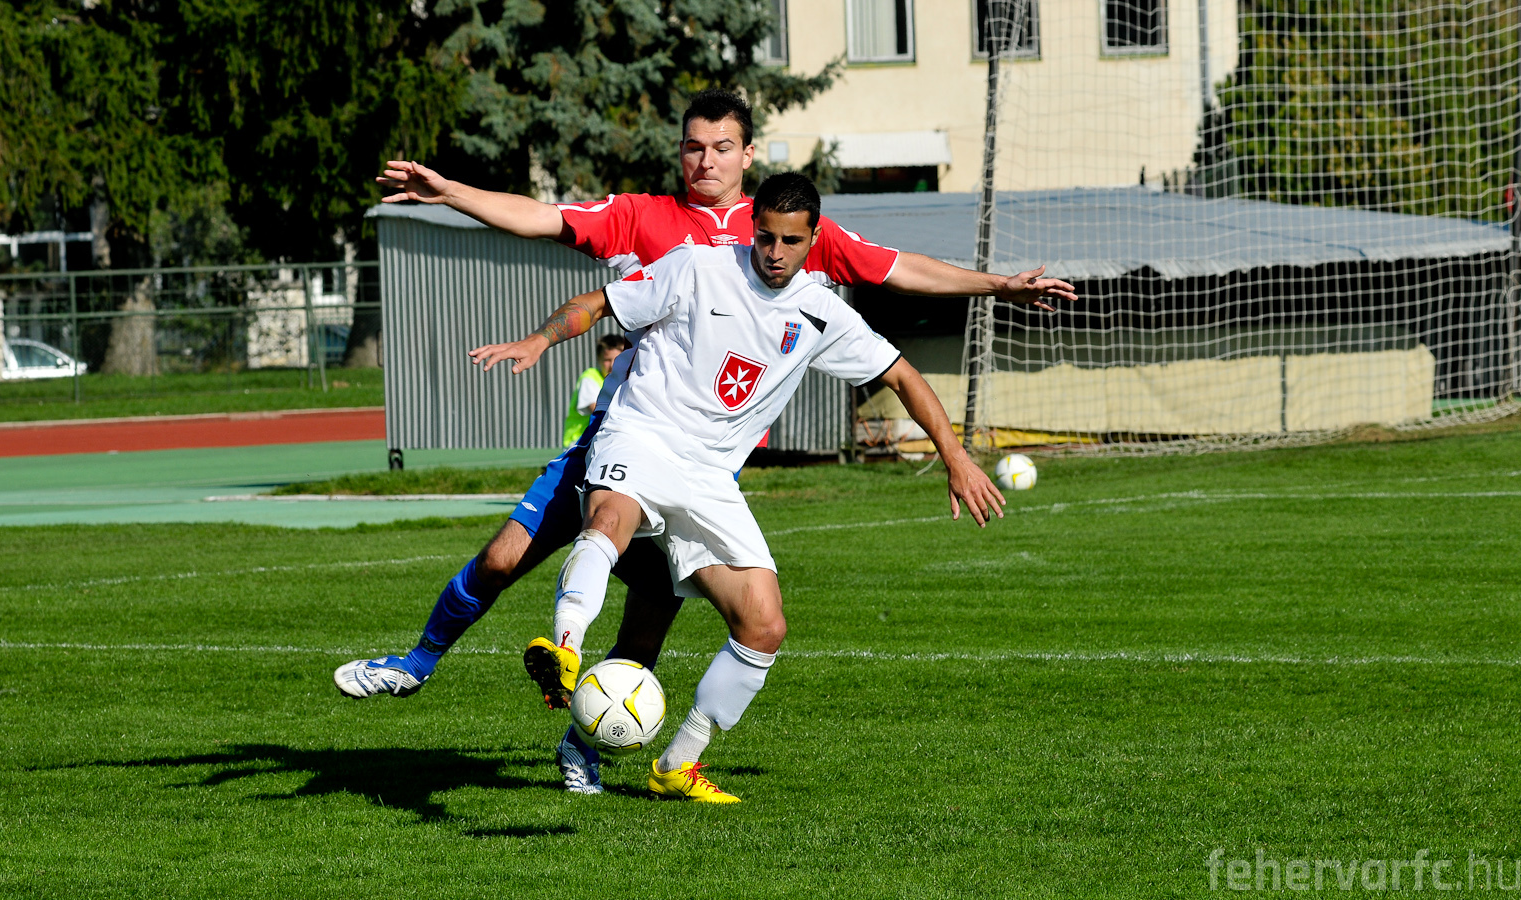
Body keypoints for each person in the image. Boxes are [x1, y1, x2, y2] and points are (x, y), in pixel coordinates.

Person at [334, 89, 1075, 796]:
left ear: (748, 155)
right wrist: (451, 193)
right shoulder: (648, 220)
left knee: (658, 618)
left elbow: (899, 270)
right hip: (628, 434)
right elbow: (541, 218)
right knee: (508, 556)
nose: (706, 160)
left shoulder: (788, 227)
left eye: (721, 147)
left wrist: (998, 287)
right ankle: (420, 663)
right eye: (693, 147)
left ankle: (596, 747)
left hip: (708, 469)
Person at [533, 172, 1005, 801]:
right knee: (609, 521)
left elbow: (904, 377)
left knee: (764, 625)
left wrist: (956, 457)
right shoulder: (698, 266)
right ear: (751, 228)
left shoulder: (822, 312)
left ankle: (676, 765)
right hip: (643, 435)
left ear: (814, 239)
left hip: (709, 477)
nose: (774, 252)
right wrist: (539, 338)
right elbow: (601, 303)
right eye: (765, 237)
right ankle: (565, 647)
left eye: (790, 241)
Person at [565, 335, 627, 446]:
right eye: (607, 360)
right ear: (599, 359)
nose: (612, 365)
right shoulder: (590, 378)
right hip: (580, 443)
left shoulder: (626, 381)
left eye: (617, 359)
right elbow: (598, 411)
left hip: (605, 439)